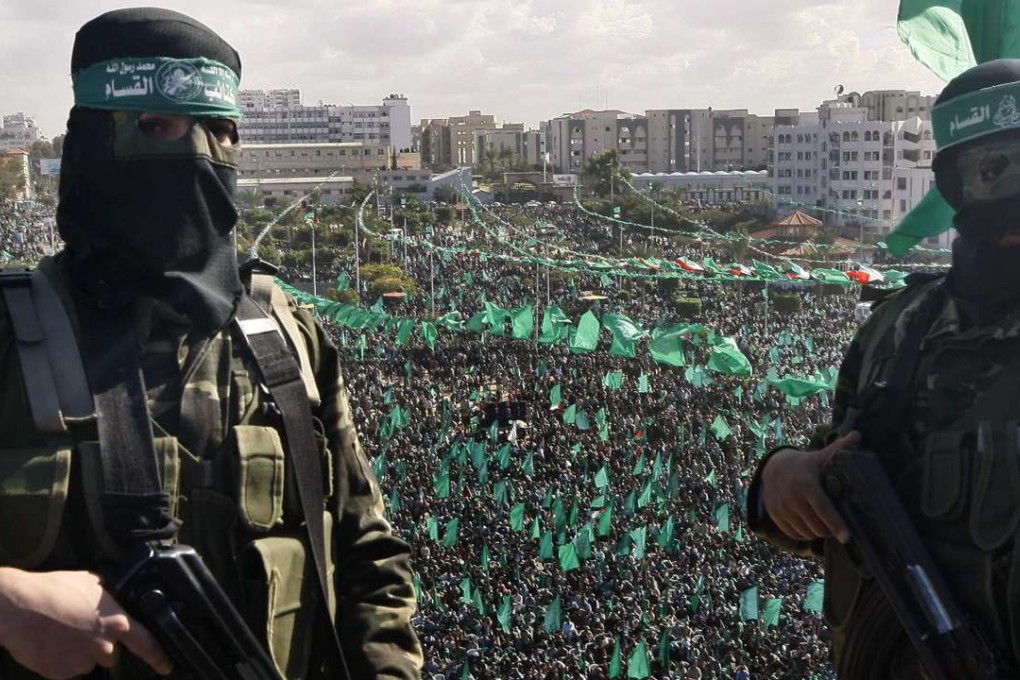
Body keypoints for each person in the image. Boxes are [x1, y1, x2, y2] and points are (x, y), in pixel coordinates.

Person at [0, 8, 422, 679]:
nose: (198, 158)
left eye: (222, 134)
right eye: (159, 127)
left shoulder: (282, 334)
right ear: (92, 141)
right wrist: (10, 603)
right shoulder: (13, 334)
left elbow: (368, 554)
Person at [749, 59, 1020, 677]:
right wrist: (781, 478)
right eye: (993, 169)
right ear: (953, 183)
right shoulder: (899, 331)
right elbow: (838, 489)